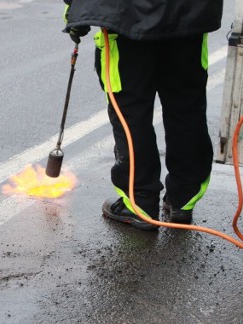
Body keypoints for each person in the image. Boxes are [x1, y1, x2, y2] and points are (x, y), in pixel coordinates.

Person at [63, 0, 222, 231]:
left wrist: (75, 8)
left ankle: (140, 204)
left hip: (126, 15)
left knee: (130, 112)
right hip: (189, 13)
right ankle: (183, 199)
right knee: (186, 106)